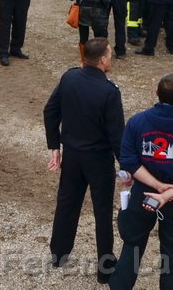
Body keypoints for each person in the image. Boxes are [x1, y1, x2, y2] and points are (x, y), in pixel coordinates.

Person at [109, 74, 173, 290]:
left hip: (142, 195)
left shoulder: (137, 122)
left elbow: (129, 160)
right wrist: (165, 194)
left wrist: (155, 186)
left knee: (132, 246)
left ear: (156, 94)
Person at [44, 38, 125, 283]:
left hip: (72, 157)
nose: (110, 58)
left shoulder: (69, 78)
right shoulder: (109, 92)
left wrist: (54, 146)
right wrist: (127, 167)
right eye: (109, 54)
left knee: (67, 204)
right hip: (99, 161)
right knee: (102, 213)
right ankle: (105, 269)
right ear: (102, 59)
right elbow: (117, 135)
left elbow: (50, 110)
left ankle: (59, 253)